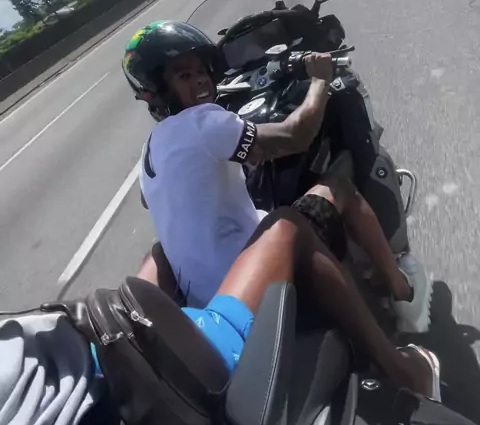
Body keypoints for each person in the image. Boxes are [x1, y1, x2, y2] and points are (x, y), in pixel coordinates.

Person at [0, 205, 439, 425]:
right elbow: (290, 134)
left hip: (96, 366)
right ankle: (405, 369)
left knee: (158, 255)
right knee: (286, 228)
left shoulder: (156, 151)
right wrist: (317, 95)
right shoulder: (208, 125)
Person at [123, 20, 431, 331]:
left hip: (206, 298)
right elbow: (297, 135)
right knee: (338, 188)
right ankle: (405, 294)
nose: (201, 79)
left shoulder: (151, 147)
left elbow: (156, 196)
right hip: (250, 275)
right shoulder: (203, 123)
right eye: (184, 75)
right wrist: (320, 80)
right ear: (158, 90)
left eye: (202, 70)